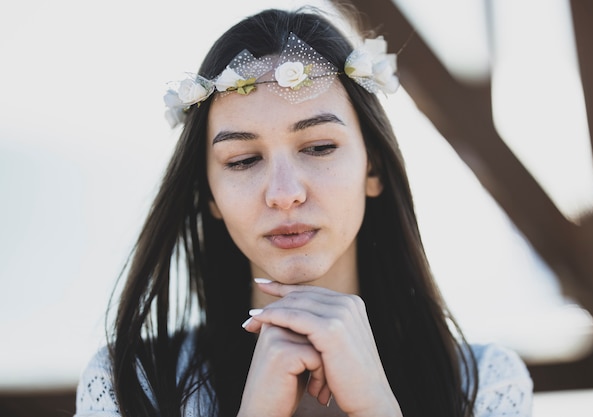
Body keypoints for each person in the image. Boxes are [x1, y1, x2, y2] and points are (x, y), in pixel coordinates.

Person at [74, 5, 533, 417]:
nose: (284, 193)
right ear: (209, 194)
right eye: (242, 160)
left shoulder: (484, 387)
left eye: (317, 147)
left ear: (372, 166)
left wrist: (377, 408)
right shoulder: (130, 389)